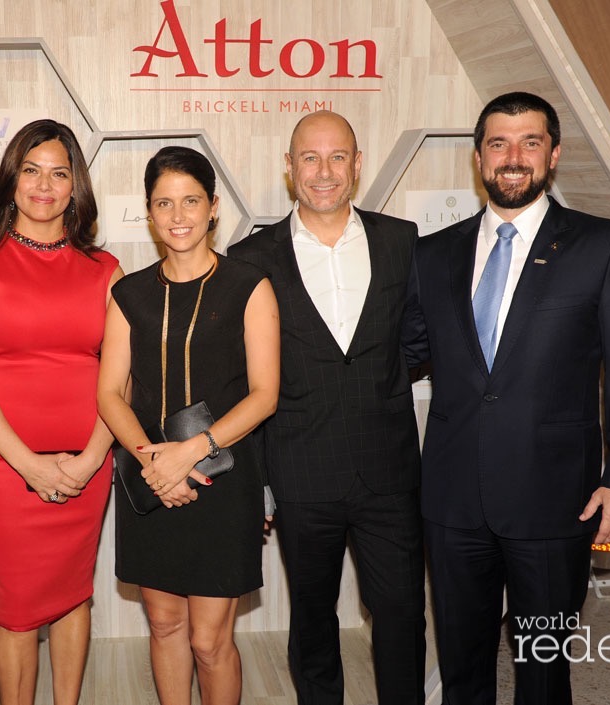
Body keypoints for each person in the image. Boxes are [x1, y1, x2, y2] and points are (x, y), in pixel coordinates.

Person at [403, 91, 610, 705]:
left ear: (554, 154)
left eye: (530, 142)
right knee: (462, 671)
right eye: (498, 143)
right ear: (478, 158)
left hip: (555, 500)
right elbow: (399, 357)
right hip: (453, 499)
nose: (513, 157)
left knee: (544, 672)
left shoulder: (606, 245)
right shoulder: (432, 254)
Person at [227, 110, 426, 705]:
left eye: (337, 157)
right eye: (309, 158)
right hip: (300, 469)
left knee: (401, 615)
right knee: (313, 619)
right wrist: (257, 481)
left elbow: (416, 336)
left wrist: (377, 382)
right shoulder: (250, 256)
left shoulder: (402, 240)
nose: (323, 171)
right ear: (289, 168)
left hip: (388, 469)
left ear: (358, 165)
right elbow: (245, 374)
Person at [0, 119, 121, 705]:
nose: (44, 185)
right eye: (31, 170)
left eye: (59, 173)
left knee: (74, 594)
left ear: (76, 187)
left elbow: (120, 378)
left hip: (87, 466)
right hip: (1, 468)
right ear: (11, 180)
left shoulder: (105, 270)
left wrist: (93, 457)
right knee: (17, 609)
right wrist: (31, 466)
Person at [97, 146, 280, 705]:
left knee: (209, 639)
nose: (179, 216)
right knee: (165, 626)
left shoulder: (250, 285)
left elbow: (265, 395)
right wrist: (155, 460)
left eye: (191, 201)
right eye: (164, 203)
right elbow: (109, 393)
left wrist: (189, 452)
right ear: (149, 213)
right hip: (149, 478)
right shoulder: (127, 293)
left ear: (214, 208)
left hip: (223, 481)